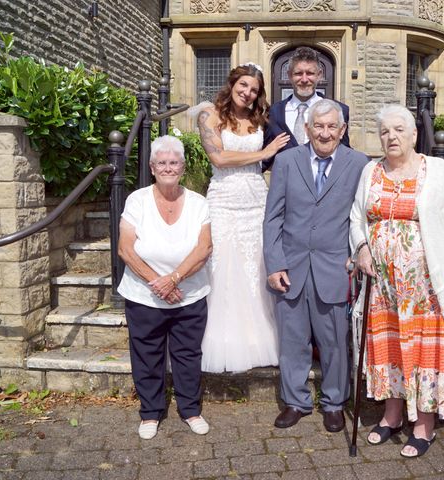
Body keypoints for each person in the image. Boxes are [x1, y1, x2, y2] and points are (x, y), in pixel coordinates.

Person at [349, 105, 444, 457]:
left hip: (426, 287)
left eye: (399, 130)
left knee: (426, 352)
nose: (391, 137)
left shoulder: (436, 170)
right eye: (385, 132)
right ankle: (392, 414)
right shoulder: (371, 170)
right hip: (383, 287)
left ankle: (424, 423)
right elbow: (356, 218)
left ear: (414, 135)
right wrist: (362, 248)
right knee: (390, 348)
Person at [263, 99, 368, 432]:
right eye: (318, 126)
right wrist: (274, 263)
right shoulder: (286, 161)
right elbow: (273, 217)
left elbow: (363, 216)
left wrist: (358, 252)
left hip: (336, 266)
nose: (325, 133)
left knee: (335, 342)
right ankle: (295, 401)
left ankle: (335, 402)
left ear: (342, 130)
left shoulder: (360, 164)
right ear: (306, 129)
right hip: (291, 266)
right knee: (293, 340)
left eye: (331, 127)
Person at [117, 135, 213, 440]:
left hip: (189, 293)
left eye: (174, 162)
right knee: (147, 353)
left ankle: (190, 410)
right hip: (143, 295)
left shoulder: (199, 202)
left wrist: (173, 279)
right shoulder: (137, 200)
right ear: (152, 166)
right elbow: (125, 249)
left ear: (182, 166)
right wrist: (157, 283)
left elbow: (204, 248)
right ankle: (151, 412)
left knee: (187, 354)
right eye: (162, 163)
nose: (168, 168)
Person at [197, 63, 290, 373]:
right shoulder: (209, 115)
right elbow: (219, 158)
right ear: (232, 83)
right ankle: (224, 343)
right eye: (244, 86)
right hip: (223, 198)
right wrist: (263, 155)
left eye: (254, 89)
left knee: (255, 266)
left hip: (255, 199)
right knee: (224, 266)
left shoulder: (260, 119)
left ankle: (258, 341)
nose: (248, 92)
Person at [263, 46, 350, 170]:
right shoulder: (274, 112)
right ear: (289, 75)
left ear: (319, 75)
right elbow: (267, 156)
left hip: (324, 184)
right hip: (287, 186)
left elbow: (344, 151)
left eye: (310, 73)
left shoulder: (339, 110)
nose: (304, 79)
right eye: (298, 73)